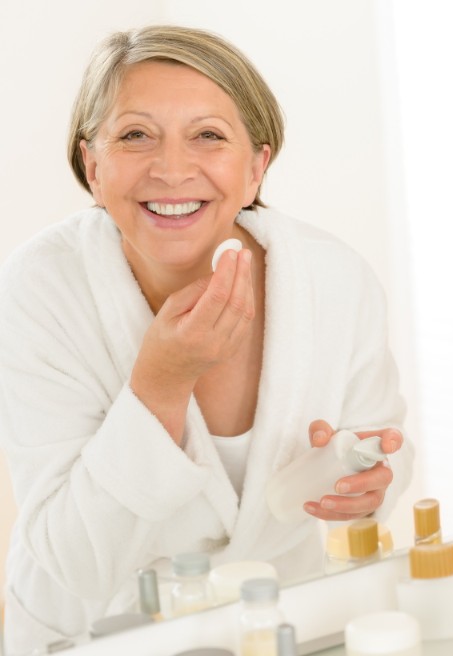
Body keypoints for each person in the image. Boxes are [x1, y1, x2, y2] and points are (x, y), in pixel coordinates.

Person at [0, 25, 411, 653]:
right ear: (92, 164)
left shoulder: (335, 278)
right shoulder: (40, 287)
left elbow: (382, 445)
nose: (171, 169)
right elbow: (72, 559)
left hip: (281, 623)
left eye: (208, 136)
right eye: (135, 135)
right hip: (104, 633)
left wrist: (368, 483)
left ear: (255, 169)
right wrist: (161, 383)